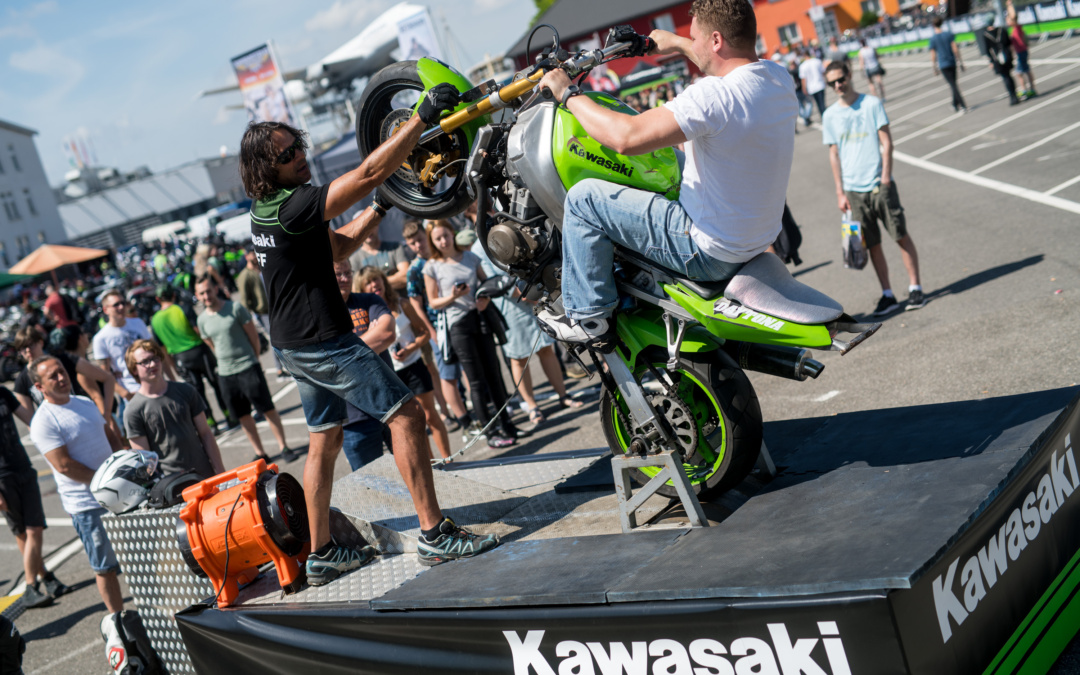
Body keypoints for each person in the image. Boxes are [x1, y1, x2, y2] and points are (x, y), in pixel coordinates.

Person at [241, 83, 499, 582]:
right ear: (266, 167)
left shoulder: (268, 211)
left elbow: (337, 250)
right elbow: (368, 171)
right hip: (322, 342)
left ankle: (320, 553)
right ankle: (434, 534)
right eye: (288, 154)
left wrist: (381, 207)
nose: (300, 157)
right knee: (405, 414)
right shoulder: (295, 206)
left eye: (299, 146)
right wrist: (418, 118)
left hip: (292, 345)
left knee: (323, 440)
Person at [535, 0, 796, 344]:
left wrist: (567, 92)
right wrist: (677, 43)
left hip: (708, 251)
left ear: (716, 40)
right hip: (755, 240)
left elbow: (625, 138)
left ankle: (587, 317)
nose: (694, 43)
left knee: (584, 200)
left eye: (697, 37)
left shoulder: (713, 96)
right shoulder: (777, 76)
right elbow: (721, 62)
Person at [822, 62, 924, 317]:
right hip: (854, 192)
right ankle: (887, 294)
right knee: (872, 244)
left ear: (849, 75)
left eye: (841, 79)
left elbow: (886, 142)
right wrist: (840, 191)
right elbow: (834, 155)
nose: (838, 85)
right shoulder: (829, 115)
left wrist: (886, 177)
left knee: (900, 234)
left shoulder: (871, 104)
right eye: (832, 82)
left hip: (879, 184)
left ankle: (916, 288)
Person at [28, 355, 125, 620]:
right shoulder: (43, 422)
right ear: (40, 387)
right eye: (53, 376)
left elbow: (109, 435)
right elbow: (64, 466)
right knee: (105, 568)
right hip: (89, 507)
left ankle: (154, 611)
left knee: (138, 557)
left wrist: (126, 467)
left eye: (62, 371)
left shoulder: (83, 402)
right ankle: (120, 623)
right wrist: (107, 481)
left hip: (120, 495)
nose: (61, 378)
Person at [424, 221, 519, 449]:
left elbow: (488, 284)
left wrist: (484, 297)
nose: (443, 241)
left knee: (494, 375)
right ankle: (491, 431)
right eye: (438, 239)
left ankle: (507, 424)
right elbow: (433, 302)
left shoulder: (470, 258)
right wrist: (453, 296)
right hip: (458, 326)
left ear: (452, 234)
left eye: (446, 235)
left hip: (480, 318)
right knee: (476, 381)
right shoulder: (432, 266)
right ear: (433, 242)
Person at [472, 243, 584, 425]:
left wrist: (533, 288)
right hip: (510, 307)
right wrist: (522, 292)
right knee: (518, 358)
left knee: (546, 348)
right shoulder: (479, 248)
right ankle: (531, 405)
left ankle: (563, 395)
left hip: (532, 297)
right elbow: (491, 280)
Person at [194, 275, 295, 464]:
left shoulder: (234, 308)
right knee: (243, 416)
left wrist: (254, 359)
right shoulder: (202, 321)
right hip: (226, 374)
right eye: (202, 293)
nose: (206, 295)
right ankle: (260, 452)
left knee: (267, 409)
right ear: (197, 296)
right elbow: (211, 344)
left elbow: (253, 337)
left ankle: (284, 447)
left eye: (208, 291)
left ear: (215, 289)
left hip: (248, 367)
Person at [358, 266, 451, 459]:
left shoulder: (401, 304)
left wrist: (410, 348)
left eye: (376, 279)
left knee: (429, 415)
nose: (374, 284)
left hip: (415, 367)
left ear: (384, 281)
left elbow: (425, 333)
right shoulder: (364, 314)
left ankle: (448, 459)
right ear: (361, 288)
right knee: (413, 425)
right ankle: (431, 465)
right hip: (390, 374)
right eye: (368, 282)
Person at [0, 385, 70, 609]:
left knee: (34, 528)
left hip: (23, 467)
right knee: (23, 531)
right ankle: (38, 583)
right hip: (2, 478)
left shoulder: (3, 393)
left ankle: (40, 582)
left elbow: (31, 419)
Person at [124, 340, 225, 479]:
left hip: (205, 476)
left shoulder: (186, 390)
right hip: (171, 487)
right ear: (134, 369)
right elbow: (145, 460)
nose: (152, 364)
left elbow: (206, 434)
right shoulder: (133, 410)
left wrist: (221, 471)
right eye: (145, 361)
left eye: (155, 358)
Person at [403, 220, 468, 432]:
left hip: (457, 318)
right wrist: (432, 334)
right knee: (445, 373)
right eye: (412, 243)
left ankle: (473, 406)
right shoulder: (415, 269)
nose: (418, 245)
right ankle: (456, 416)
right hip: (437, 326)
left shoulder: (440, 256)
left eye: (420, 240)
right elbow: (417, 306)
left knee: (466, 368)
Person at [334, 258, 397, 470]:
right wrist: (370, 334)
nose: (345, 279)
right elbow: (328, 362)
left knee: (415, 473)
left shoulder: (369, 300)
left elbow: (386, 333)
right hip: (354, 417)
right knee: (371, 487)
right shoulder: (320, 314)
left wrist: (343, 350)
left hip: (391, 403)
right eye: (338, 274)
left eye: (348, 273)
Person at [151, 284, 236, 433]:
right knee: (216, 384)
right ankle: (229, 415)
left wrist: (173, 369)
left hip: (180, 359)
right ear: (173, 295)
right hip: (199, 352)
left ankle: (211, 423)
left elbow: (162, 350)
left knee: (197, 392)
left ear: (158, 299)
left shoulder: (155, 320)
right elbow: (199, 332)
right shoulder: (183, 308)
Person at [92, 290, 159, 435]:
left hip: (154, 384)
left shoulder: (137, 323)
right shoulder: (101, 338)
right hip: (131, 391)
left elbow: (154, 351)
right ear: (106, 309)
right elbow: (105, 374)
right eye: (116, 304)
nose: (122, 307)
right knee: (145, 433)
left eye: (123, 303)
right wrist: (125, 393)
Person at [235, 248, 287, 381]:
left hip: (274, 310)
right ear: (247, 256)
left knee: (280, 339)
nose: (255, 257)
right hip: (262, 314)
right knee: (275, 341)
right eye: (252, 254)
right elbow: (244, 300)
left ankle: (283, 368)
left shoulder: (261, 269)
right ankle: (280, 371)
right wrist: (248, 319)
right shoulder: (245, 275)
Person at [929, 16, 968, 112]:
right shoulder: (948, 34)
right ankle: (954, 104)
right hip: (952, 62)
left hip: (943, 64)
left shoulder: (933, 38)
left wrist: (934, 67)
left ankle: (962, 105)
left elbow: (933, 54)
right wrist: (960, 61)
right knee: (953, 84)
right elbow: (955, 48)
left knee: (953, 85)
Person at [983, 19, 1020, 105]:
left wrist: (991, 61)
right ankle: (1014, 95)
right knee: (1009, 76)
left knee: (1005, 77)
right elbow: (1009, 43)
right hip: (1007, 55)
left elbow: (987, 50)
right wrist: (1013, 54)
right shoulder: (1001, 30)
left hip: (996, 59)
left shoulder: (986, 35)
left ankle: (1012, 96)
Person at [1008, 10, 1036, 99]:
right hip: (1022, 52)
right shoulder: (1016, 28)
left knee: (1019, 73)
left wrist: (1009, 5)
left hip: (1021, 52)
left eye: (1008, 19)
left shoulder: (1016, 28)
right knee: (1026, 70)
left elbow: (1013, 16)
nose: (1007, 21)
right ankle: (1032, 89)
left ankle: (1024, 90)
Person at [799, 48, 827, 122]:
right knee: (822, 103)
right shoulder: (817, 61)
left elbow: (803, 79)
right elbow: (823, 72)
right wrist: (826, 80)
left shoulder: (803, 66)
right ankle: (824, 116)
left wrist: (804, 89)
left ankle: (823, 116)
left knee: (818, 104)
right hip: (820, 85)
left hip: (812, 88)